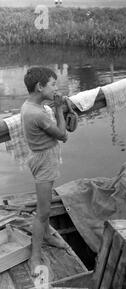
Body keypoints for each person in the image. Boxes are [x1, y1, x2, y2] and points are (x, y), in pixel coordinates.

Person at [21, 67, 68, 276]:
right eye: (53, 84)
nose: (56, 88)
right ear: (40, 87)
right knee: (43, 212)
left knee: (46, 204)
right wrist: (58, 109)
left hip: (41, 158)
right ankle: (35, 256)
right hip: (44, 162)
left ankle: (48, 234)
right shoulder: (38, 113)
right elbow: (62, 135)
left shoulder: (30, 105)